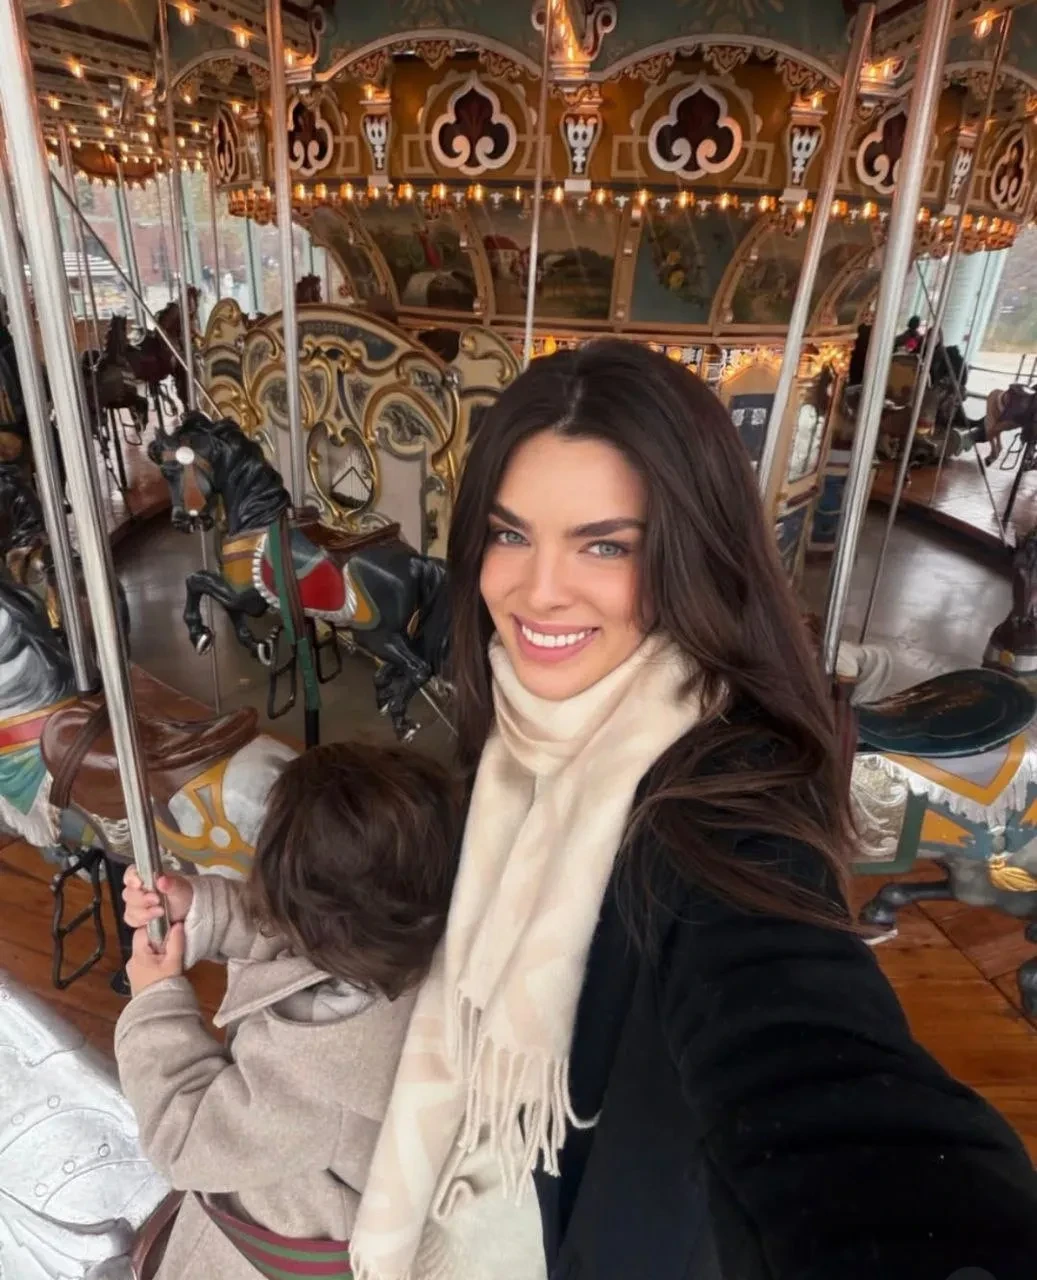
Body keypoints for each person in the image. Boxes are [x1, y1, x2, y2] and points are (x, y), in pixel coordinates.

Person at [349, 339, 1037, 1280]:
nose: (536, 590)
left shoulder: (719, 797)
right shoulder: (517, 733)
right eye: (510, 535)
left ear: (691, 553)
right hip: (492, 1190)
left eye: (605, 545)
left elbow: (803, 1050)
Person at [114, 742, 462, 1280]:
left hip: (261, 1254)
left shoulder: (326, 1076)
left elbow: (185, 1136)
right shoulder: (399, 943)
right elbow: (292, 934)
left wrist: (155, 1003)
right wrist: (195, 905)